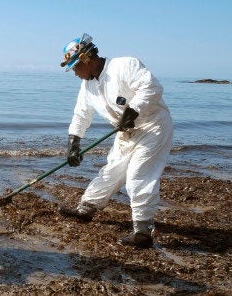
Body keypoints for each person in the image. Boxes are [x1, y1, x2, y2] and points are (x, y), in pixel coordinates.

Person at [57, 33, 173, 248]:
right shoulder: (88, 85)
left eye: (75, 67)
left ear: (86, 59)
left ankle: (143, 231)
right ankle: (87, 207)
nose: (75, 73)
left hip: (152, 127)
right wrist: (74, 142)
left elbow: (151, 87)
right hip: (126, 131)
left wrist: (133, 110)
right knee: (112, 170)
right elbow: (81, 114)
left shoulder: (125, 65)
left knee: (139, 174)